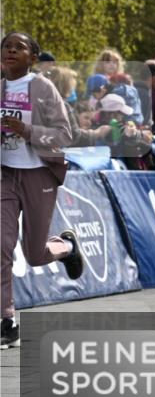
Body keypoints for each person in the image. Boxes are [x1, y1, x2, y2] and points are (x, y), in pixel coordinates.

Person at [1, 32, 86, 349]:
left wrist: (27, 130)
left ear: (32, 57)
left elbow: (64, 134)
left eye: (19, 47)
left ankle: (65, 247)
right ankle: (6, 320)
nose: (11, 50)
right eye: (7, 46)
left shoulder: (41, 88)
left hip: (39, 174)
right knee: (2, 244)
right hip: (5, 176)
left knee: (35, 254)